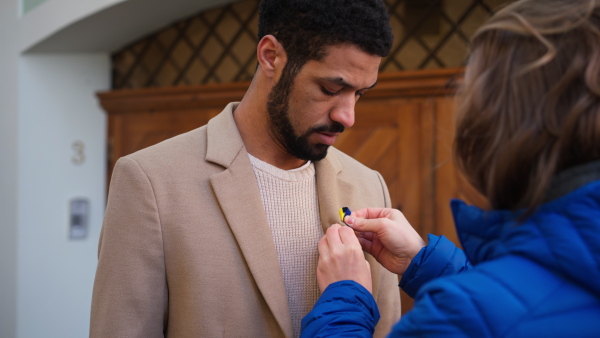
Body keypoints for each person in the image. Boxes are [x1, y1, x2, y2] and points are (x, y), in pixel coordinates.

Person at [90, 0, 401, 337]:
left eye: (360, 94)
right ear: (270, 56)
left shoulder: (369, 184)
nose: (348, 116)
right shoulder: (150, 181)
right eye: (331, 89)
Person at [301, 0, 600, 336]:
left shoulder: (462, 314)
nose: (349, 118)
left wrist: (345, 296)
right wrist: (422, 260)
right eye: (331, 89)